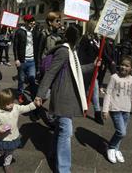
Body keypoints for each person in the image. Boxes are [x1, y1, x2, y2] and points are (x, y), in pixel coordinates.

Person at [35, 25, 88, 172]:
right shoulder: (64, 51)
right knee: (66, 131)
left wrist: (92, 65)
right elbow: (51, 73)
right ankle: (64, 169)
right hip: (62, 95)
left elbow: (77, 70)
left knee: (60, 128)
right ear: (78, 38)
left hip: (69, 95)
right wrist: (40, 94)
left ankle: (53, 152)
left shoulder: (72, 51)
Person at [0, 89, 41, 173]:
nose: (11, 105)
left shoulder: (16, 107)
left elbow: (26, 108)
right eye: (8, 104)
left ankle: (7, 164)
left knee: (10, 152)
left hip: (13, 136)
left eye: (12, 102)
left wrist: (34, 104)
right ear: (2, 103)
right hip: (2, 137)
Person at [102, 55, 132, 164]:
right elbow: (108, 93)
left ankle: (116, 149)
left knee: (122, 132)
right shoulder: (114, 77)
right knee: (121, 132)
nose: (123, 67)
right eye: (122, 65)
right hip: (115, 108)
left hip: (126, 110)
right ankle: (111, 147)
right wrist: (105, 110)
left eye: (126, 66)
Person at [77, 20, 104, 125]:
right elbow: (82, 55)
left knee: (95, 90)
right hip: (87, 68)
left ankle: (97, 112)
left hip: (94, 69)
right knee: (83, 90)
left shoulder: (97, 39)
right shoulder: (85, 39)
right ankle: (80, 107)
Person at [13, 14, 39, 103]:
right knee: (21, 80)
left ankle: (33, 96)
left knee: (32, 79)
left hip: (32, 60)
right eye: (31, 21)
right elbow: (15, 46)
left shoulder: (35, 31)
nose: (33, 23)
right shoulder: (20, 31)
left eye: (33, 21)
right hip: (22, 60)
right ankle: (20, 94)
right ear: (26, 22)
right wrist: (16, 59)